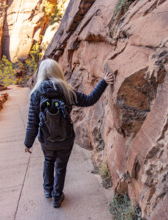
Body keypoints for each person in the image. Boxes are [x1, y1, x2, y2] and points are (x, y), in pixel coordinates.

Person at [24, 59, 114, 208]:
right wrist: (103, 81)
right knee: (60, 166)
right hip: (65, 138)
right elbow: (90, 99)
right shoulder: (66, 91)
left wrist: (28, 143)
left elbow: (32, 121)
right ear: (57, 72)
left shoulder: (36, 94)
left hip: (46, 139)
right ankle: (57, 196)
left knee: (48, 160)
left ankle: (48, 190)